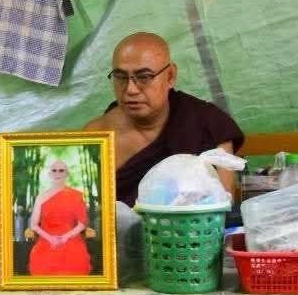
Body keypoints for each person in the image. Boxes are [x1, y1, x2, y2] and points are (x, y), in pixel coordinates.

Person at [84, 32, 244, 207]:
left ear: (170, 76)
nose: (130, 89)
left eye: (144, 77)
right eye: (121, 77)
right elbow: (88, 212)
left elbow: (222, 205)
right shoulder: (95, 136)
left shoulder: (208, 122)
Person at [27, 159, 92, 275]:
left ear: (66, 174)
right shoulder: (40, 197)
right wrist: (50, 238)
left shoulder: (76, 195)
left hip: (70, 238)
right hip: (46, 240)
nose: (57, 173)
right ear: (50, 174)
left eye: (61, 170)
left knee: (76, 260)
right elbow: (34, 225)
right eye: (54, 170)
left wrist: (65, 237)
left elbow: (82, 223)